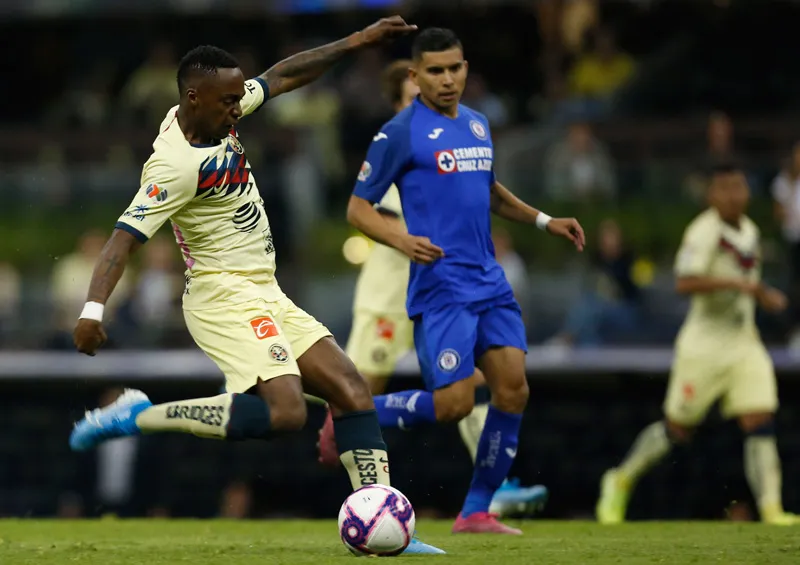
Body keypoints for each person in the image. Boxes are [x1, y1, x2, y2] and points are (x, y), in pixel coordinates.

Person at [68, 18, 444, 554]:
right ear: (194, 97)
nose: (236, 108)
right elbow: (120, 242)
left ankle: (386, 526)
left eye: (236, 99)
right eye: (226, 102)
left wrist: (356, 41)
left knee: (352, 390)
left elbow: (284, 75)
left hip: (264, 289)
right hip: (220, 294)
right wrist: (92, 312)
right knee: (287, 411)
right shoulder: (173, 166)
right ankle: (138, 415)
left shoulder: (217, 109)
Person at [321, 28, 584, 534]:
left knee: (513, 391)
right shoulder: (399, 132)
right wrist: (402, 241)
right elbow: (357, 209)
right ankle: (357, 411)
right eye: (436, 71)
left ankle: (476, 511)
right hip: (441, 289)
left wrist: (543, 220)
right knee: (453, 405)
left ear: (467, 68)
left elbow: (488, 190)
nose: (447, 80)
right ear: (416, 76)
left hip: (489, 281)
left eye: (455, 68)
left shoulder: (479, 125)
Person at [596, 163, 798, 525]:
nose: (734, 195)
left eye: (739, 187)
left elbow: (745, 281)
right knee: (678, 428)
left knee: (760, 418)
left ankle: (771, 508)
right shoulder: (703, 231)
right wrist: (740, 287)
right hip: (704, 346)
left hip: (743, 341)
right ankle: (621, 478)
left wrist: (762, 295)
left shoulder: (749, 230)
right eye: (725, 188)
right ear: (711, 195)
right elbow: (684, 283)